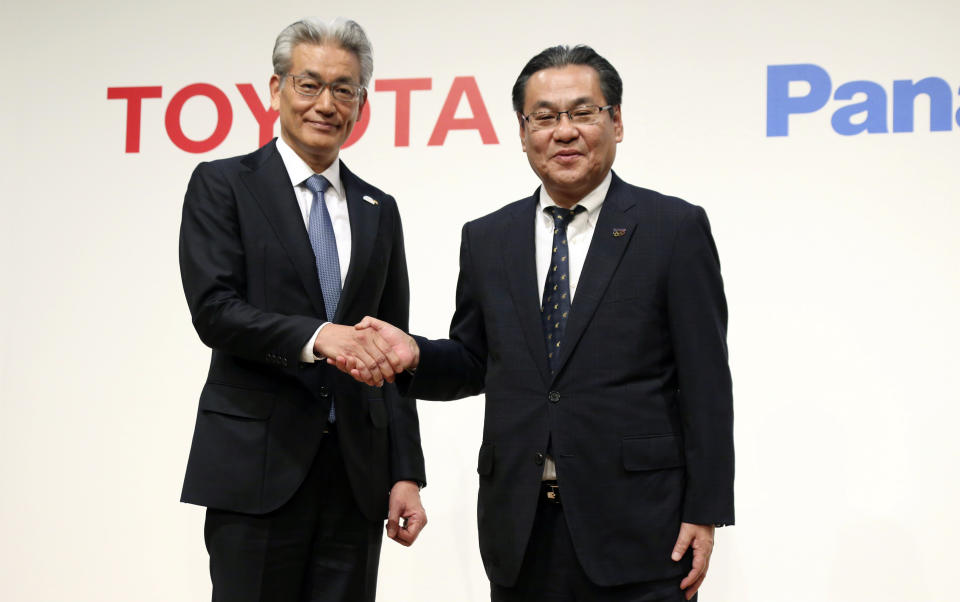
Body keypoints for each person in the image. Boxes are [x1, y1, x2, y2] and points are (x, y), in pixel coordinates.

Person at [335, 45, 734, 601]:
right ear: (523, 133)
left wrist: (706, 510)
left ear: (616, 122)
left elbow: (707, 383)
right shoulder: (487, 238)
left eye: (583, 112)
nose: (564, 132)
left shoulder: (673, 228)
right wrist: (417, 356)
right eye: (544, 117)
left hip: (640, 527)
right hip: (520, 528)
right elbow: (475, 361)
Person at [178, 17, 426, 602]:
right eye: (308, 84)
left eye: (344, 89)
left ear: (361, 105)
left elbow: (395, 352)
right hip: (255, 470)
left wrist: (406, 472)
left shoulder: (378, 209)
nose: (325, 104)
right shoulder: (223, 185)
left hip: (355, 479)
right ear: (276, 89)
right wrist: (319, 337)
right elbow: (214, 309)